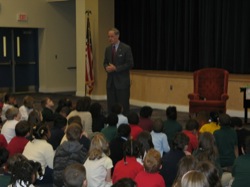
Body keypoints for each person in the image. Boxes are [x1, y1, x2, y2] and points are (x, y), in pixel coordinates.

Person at [103, 28, 134, 116]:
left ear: (117, 36)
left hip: (122, 83)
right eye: (108, 37)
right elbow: (105, 62)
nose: (110, 38)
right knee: (111, 106)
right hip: (110, 83)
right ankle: (112, 123)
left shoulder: (126, 48)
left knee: (123, 106)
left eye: (112, 36)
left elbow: (130, 64)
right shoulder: (108, 49)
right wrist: (106, 67)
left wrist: (116, 68)